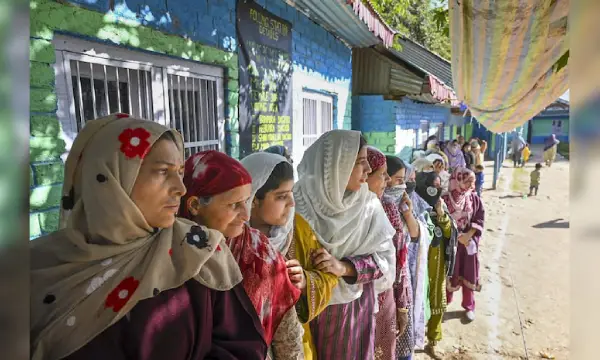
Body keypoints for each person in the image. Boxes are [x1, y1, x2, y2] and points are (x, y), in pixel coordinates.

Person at [31, 114, 268, 360]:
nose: (181, 188)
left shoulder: (198, 253)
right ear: (110, 179)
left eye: (179, 171)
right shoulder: (35, 269)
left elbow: (242, 348)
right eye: (163, 171)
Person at [180, 150, 303, 359]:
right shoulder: (169, 254)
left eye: (246, 202)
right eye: (234, 205)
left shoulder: (260, 253)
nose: (246, 215)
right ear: (194, 205)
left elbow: (288, 339)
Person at [293, 130, 396, 360]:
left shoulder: (368, 206)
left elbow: (385, 261)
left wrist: (344, 268)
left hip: (351, 311)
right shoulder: (297, 201)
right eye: (360, 162)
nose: (368, 170)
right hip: (301, 306)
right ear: (338, 165)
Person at [240, 152, 339, 360]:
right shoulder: (233, 236)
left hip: (294, 346)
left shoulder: (297, 230)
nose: (291, 203)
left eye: (291, 193)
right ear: (253, 199)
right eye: (281, 196)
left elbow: (328, 277)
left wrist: (305, 281)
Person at [415, 171, 458, 358]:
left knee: (437, 303)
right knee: (417, 303)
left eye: (439, 185)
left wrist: (441, 214)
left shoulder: (442, 207)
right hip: (420, 268)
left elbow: (450, 234)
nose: (437, 190)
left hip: (438, 266)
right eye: (434, 185)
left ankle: (432, 341)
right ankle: (413, 339)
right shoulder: (416, 207)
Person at [383, 155, 420, 360]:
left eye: (403, 179)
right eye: (398, 179)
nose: (402, 184)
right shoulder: (377, 205)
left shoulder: (402, 202)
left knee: (402, 340)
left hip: (402, 279)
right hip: (386, 282)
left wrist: (407, 214)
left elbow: (414, 235)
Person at [365, 147, 399, 360]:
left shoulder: (386, 208)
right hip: (351, 310)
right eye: (382, 174)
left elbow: (398, 260)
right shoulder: (331, 215)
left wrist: (402, 305)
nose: (388, 180)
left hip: (385, 298)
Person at [443, 167, 485, 322]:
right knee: (450, 273)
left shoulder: (474, 198)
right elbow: (441, 221)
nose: (471, 185)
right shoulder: (445, 199)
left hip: (467, 243)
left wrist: (468, 235)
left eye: (472, 182)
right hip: (451, 243)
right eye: (467, 181)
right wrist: (455, 236)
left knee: (469, 273)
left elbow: (479, 218)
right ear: (458, 180)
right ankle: (444, 304)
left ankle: (469, 306)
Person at [403, 164, 435, 352]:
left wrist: (407, 213)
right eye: (407, 179)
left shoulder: (418, 202)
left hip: (412, 270)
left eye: (414, 178)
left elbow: (422, 234)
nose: (411, 183)